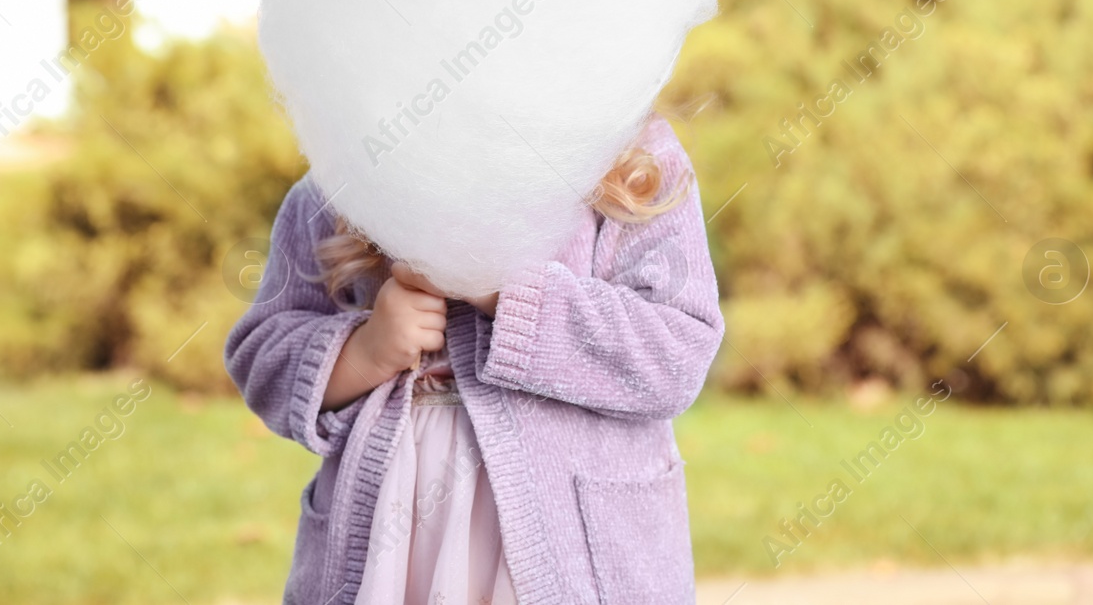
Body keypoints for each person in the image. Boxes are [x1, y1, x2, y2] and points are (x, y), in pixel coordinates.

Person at [225, 114, 722, 605]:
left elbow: (676, 353)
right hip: (394, 536)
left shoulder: (633, 155)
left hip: (572, 545)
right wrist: (365, 351)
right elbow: (263, 355)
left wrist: (505, 292)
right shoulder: (351, 158)